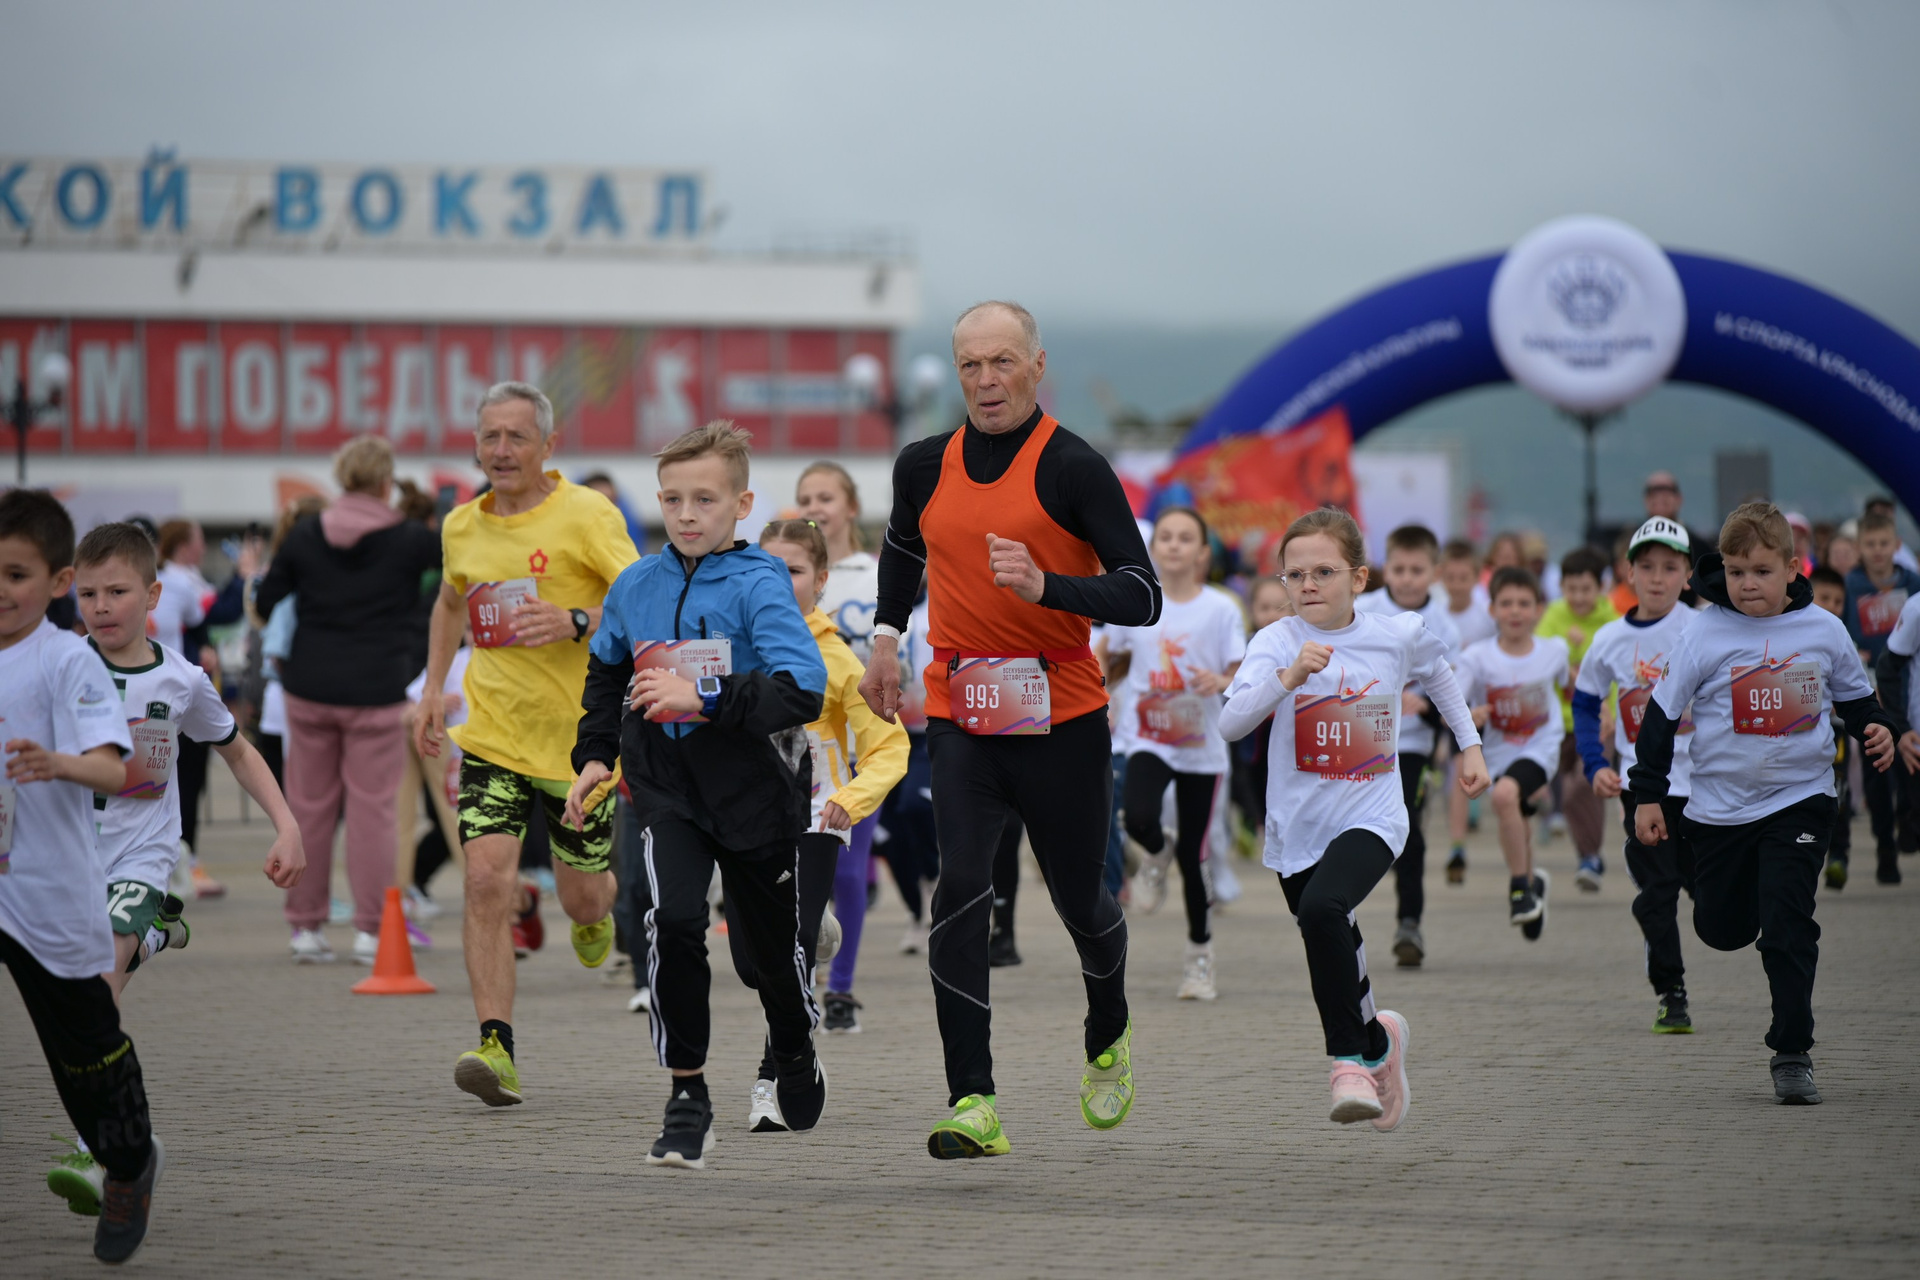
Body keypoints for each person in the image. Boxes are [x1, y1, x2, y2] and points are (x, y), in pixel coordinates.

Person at [860, 300, 1158, 1159]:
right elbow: (903, 549)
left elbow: (1143, 592)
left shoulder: (1074, 468)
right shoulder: (923, 463)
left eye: (1002, 362)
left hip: (1063, 716)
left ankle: (1108, 1026)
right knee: (961, 886)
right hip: (962, 714)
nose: (986, 381)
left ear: (1036, 365)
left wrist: (1047, 588)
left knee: (1079, 902)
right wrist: (885, 639)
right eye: (970, 366)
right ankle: (973, 1101)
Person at [568, 420, 829, 1169]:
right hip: (666, 787)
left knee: (770, 958)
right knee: (674, 920)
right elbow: (607, 673)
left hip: (753, 791)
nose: (687, 515)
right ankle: (688, 1095)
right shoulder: (634, 585)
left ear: (741, 505)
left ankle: (793, 1040)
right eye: (673, 499)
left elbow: (802, 689)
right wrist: (595, 756)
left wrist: (704, 697)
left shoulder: (759, 582)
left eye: (705, 500)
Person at [46, 524, 306, 1215]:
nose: (101, 606)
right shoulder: (57, 665)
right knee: (72, 1004)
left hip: (142, 855)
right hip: (66, 860)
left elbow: (238, 751)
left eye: (118, 591)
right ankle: (157, 931)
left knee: (100, 985)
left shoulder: (182, 680)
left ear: (154, 595)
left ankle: (93, 1147)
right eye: (89, 594)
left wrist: (287, 826)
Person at [1220, 507, 1488, 1128]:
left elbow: (1440, 676)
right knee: (1327, 929)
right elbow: (1230, 723)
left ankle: (1349, 1063)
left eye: (1323, 572)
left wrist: (1470, 746)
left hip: (1373, 814)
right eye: (1294, 575)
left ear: (1359, 578)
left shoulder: (1395, 635)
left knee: (1323, 909)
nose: (1308, 585)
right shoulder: (1276, 642)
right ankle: (1377, 1041)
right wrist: (1288, 677)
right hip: (1298, 825)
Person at [413, 383, 639, 1104]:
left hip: (580, 743)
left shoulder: (587, 514)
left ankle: (597, 910)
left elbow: (642, 598)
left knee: (583, 899)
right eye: (490, 437)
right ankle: (496, 1048)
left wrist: (576, 620)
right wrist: (432, 688)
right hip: (492, 735)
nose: (502, 450)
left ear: (548, 444)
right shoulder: (461, 525)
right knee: (484, 879)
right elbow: (451, 602)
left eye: (516, 436)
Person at [1631, 503, 1897, 1105]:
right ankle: (1748, 895)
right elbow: (1660, 717)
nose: (1747, 584)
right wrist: (1648, 796)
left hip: (1800, 800)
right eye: (1735, 572)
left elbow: (1857, 702)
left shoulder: (1824, 630)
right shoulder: (1704, 632)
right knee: (1721, 930)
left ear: (1792, 569)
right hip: (1719, 812)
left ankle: (1792, 1051)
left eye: (1761, 571)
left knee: (1787, 925)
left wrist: (1877, 728)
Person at [0, 489, 157, 1264]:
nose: (1, 589)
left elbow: (112, 767)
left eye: (16, 575)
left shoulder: (65, 659)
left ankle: (127, 1164)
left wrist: (54, 763)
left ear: (58, 581)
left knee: (83, 1056)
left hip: (46, 892)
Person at [743, 519, 906, 1124]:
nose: (778, 581)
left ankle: (775, 1078)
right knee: (751, 965)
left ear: (821, 580)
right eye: (767, 569)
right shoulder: (733, 645)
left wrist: (854, 797)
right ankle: (816, 935)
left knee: (786, 951)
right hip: (747, 819)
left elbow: (888, 746)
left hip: (817, 815)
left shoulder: (838, 660)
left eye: (793, 570)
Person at [255, 436, 441, 964]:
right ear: (386, 483)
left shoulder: (306, 534)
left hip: (308, 688)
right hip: (377, 689)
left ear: (341, 478)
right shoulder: (412, 539)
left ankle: (305, 929)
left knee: (308, 808)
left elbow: (267, 602)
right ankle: (370, 932)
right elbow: (456, 580)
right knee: (372, 813)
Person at [1103, 506, 1245, 999]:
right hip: (1149, 736)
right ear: (1153, 548)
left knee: (1194, 855)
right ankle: (1155, 850)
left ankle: (1199, 957)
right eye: (1166, 537)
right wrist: (1100, 686)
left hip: (1203, 746)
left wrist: (1220, 680)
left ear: (1203, 552)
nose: (1175, 545)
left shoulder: (1221, 608)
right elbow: (1110, 651)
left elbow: (1240, 670)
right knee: (1138, 815)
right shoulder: (1138, 602)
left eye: (1186, 538)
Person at [1573, 517, 1699, 1033]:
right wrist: (1595, 764)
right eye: (1647, 567)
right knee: (1658, 891)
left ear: (1687, 575)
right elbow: (1584, 703)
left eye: (1670, 567)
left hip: (1708, 788)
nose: (1657, 578)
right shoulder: (1609, 639)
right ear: (1628, 573)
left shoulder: (1704, 628)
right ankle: (1671, 992)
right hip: (1643, 789)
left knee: (1711, 897)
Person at [794, 462, 885, 1012]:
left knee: (850, 871)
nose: (814, 508)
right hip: (799, 752)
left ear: (851, 507)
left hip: (859, 751)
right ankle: (801, 977)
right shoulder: (782, 576)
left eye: (825, 497)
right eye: (805, 498)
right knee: (803, 878)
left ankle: (841, 990)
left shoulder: (877, 577)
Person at [1354, 524, 1460, 968]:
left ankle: (1409, 923)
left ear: (1435, 572)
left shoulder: (1444, 626)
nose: (1408, 579)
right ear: (1385, 568)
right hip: (1360, 739)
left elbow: (1452, 694)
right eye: (1399, 569)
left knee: (1411, 833)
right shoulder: (1364, 610)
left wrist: (1426, 706)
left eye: (1418, 570)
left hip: (1412, 746)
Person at [1456, 567, 1569, 940]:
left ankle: (1519, 890)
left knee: (1505, 795)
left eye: (1524, 603)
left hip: (1541, 747)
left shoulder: (1554, 652)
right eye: (1506, 603)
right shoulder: (1477, 658)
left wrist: (1597, 712)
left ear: (1539, 609)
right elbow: (1450, 705)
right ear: (1492, 610)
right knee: (1512, 812)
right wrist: (1471, 715)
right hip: (1497, 751)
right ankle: (1532, 881)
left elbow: (1571, 688)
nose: (1515, 611)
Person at [1843, 508, 1920, 878]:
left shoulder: (1913, 583)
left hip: (1903, 689)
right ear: (1859, 548)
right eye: (1870, 544)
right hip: (1866, 688)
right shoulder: (1851, 585)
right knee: (1876, 768)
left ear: (1897, 545)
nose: (1877, 550)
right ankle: (1884, 846)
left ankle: (1907, 820)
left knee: (1906, 766)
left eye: (1883, 543)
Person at [1537, 547, 1618, 890]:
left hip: (1598, 722)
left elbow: (1618, 673)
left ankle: (1590, 857)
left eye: (1586, 589)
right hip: (1555, 722)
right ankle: (1549, 817)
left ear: (1601, 587)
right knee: (1545, 785)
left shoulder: (1613, 622)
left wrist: (1610, 712)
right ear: (1561, 587)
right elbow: (1539, 659)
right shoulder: (1554, 616)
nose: (1579, 597)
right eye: (1572, 589)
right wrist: (1566, 652)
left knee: (1584, 786)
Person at [1439, 538, 1494, 884]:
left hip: (1485, 706)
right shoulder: (1435, 615)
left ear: (1476, 577)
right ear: (1441, 576)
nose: (1457, 584)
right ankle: (1457, 844)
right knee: (1458, 770)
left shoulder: (1487, 616)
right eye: (1451, 578)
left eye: (1464, 578)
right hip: (1452, 706)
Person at [1808, 566, 1857, 888]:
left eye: (1838, 601)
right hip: (1801, 738)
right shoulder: (1793, 637)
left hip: (1836, 731)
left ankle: (1839, 855)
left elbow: (1856, 688)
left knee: (1839, 791)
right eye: (1824, 598)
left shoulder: (1842, 638)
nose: (1832, 606)